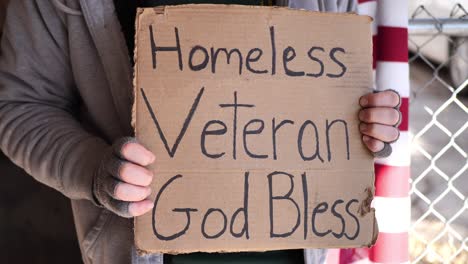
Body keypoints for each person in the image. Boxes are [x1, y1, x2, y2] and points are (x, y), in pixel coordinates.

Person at [0, 0, 401, 263]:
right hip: (135, 248)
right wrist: (91, 168)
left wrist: (365, 128)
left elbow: (338, 101)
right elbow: (20, 106)